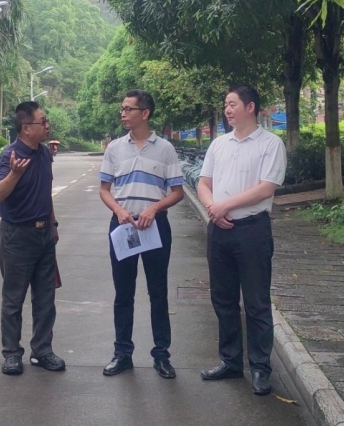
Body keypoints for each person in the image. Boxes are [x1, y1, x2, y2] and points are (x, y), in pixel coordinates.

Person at [197, 85, 287, 396]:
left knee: (256, 301)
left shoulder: (270, 144)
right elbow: (203, 182)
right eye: (226, 104)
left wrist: (225, 206)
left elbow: (266, 188)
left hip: (252, 230)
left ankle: (260, 367)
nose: (227, 109)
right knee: (223, 299)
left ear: (250, 107)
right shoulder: (218, 144)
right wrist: (213, 208)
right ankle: (230, 361)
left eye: (233, 104)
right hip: (219, 230)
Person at [99, 89, 184, 378]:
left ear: (145, 113)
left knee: (158, 292)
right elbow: (104, 189)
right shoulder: (114, 149)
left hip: (155, 228)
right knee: (123, 293)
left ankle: (161, 355)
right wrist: (119, 211)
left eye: (128, 109)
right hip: (123, 227)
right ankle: (122, 353)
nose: (123, 113)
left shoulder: (165, 149)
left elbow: (177, 192)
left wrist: (154, 208)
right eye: (122, 109)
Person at [0, 101, 65, 375]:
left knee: (45, 297)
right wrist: (15, 173)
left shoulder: (44, 152)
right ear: (26, 128)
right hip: (17, 236)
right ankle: (12, 354)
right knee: (14, 298)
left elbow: (46, 192)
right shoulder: (9, 156)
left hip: (44, 233)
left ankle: (42, 351)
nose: (47, 126)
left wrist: (53, 223)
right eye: (42, 121)